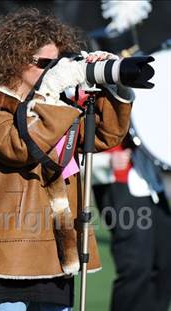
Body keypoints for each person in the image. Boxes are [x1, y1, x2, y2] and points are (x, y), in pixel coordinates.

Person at [0, 9, 133, 311]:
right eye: (44, 65)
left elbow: (104, 135)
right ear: (14, 60)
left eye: (56, 65)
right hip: (9, 252)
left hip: (57, 249)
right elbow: (19, 146)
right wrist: (50, 93)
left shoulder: (57, 106)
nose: (51, 72)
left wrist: (113, 83)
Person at [90, 24, 171, 311]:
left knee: (165, 263)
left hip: (150, 182)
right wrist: (105, 162)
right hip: (118, 183)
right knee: (135, 266)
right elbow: (78, 148)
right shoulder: (95, 93)